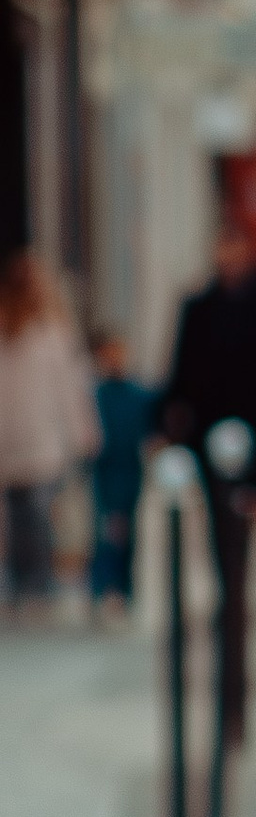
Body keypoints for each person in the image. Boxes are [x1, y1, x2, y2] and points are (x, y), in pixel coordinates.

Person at [162, 226, 256, 742]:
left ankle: (237, 705)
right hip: (205, 450)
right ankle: (229, 701)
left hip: (248, 455)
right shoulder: (198, 307)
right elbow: (181, 374)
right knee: (223, 566)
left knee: (238, 570)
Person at [0, 251, 99, 614]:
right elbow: (72, 388)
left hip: (36, 437)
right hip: (21, 435)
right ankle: (25, 582)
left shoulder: (52, 333)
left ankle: (34, 583)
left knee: (33, 513)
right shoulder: (23, 332)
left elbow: (70, 388)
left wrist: (80, 431)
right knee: (23, 515)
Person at [86, 331, 155, 614]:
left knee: (127, 530)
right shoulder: (95, 394)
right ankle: (103, 587)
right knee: (105, 529)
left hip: (130, 469)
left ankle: (124, 588)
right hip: (103, 470)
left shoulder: (139, 393)